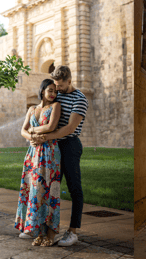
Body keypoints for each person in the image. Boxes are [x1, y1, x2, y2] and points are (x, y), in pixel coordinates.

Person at [30, 65, 88, 247]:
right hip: (51, 147)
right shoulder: (57, 95)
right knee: (50, 188)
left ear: (69, 81)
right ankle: (45, 229)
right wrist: (37, 136)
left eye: (60, 86)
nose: (57, 90)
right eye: (55, 86)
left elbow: (69, 128)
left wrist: (42, 137)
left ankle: (73, 231)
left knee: (74, 188)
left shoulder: (80, 99)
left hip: (69, 145)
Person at [15, 79, 62, 247]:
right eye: (50, 90)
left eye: (55, 92)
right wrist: (31, 137)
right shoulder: (32, 109)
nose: (52, 94)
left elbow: (51, 126)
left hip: (50, 154)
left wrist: (32, 132)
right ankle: (39, 233)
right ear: (42, 90)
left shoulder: (55, 106)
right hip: (33, 154)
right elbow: (22, 130)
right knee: (36, 192)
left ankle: (51, 233)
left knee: (50, 192)